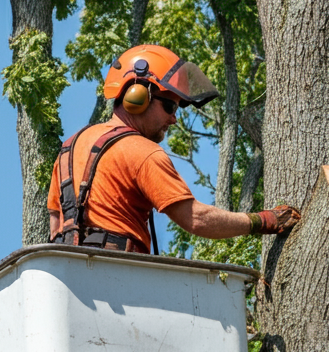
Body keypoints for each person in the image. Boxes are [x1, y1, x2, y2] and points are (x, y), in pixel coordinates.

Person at [48, 44, 300, 254]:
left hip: (71, 277)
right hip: (121, 279)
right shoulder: (142, 152)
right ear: (137, 96)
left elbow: (57, 224)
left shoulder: (70, 148)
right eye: (170, 106)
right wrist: (265, 221)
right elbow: (196, 219)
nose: (174, 119)